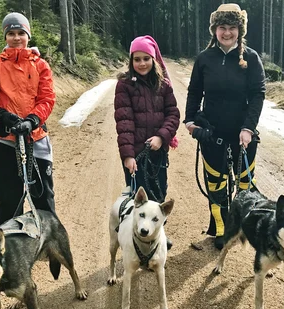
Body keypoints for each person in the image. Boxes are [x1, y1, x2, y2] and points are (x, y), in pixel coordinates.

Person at [184, 3, 266, 250]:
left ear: (240, 29)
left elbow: (258, 94)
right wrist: (189, 121)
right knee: (217, 186)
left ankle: (247, 228)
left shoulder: (251, 58)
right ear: (214, 29)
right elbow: (195, 91)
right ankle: (221, 231)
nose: (227, 32)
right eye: (222, 27)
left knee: (245, 186)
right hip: (212, 135)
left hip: (243, 135)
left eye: (232, 27)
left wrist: (248, 128)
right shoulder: (204, 59)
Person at [0, 12, 56, 225]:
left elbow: (47, 98)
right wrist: (1, 115)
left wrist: (32, 120)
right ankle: (10, 251)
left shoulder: (41, 65)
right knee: (9, 201)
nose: (16, 38)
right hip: (5, 140)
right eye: (11, 33)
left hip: (36, 138)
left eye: (21, 32)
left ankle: (51, 250)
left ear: (28, 36)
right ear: (5, 37)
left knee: (43, 198)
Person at [114, 35, 180, 249]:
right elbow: (124, 121)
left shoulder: (164, 85)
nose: (142, 63)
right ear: (131, 61)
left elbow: (173, 114)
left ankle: (157, 235)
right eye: (137, 59)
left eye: (146, 58)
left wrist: (162, 137)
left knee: (159, 194)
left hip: (158, 153)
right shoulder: (124, 86)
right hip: (136, 153)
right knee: (139, 198)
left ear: (153, 59)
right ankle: (136, 240)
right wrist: (128, 155)